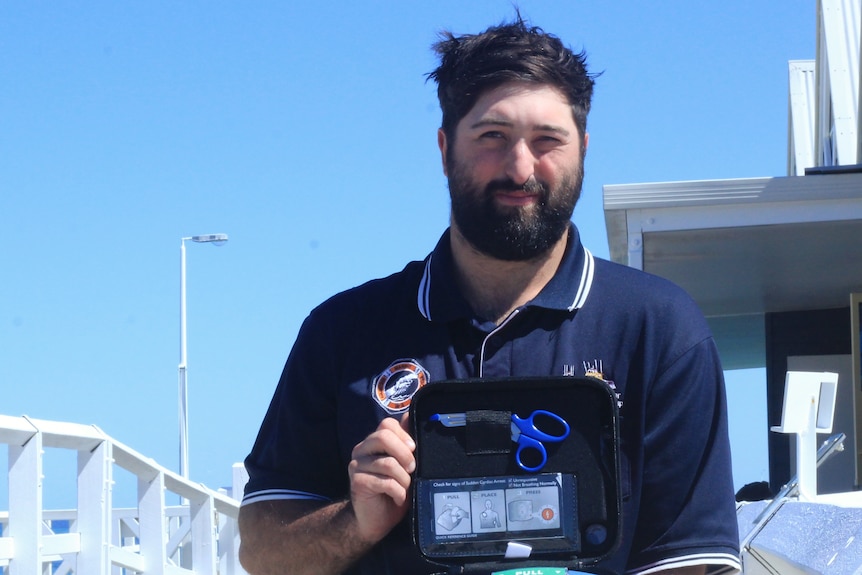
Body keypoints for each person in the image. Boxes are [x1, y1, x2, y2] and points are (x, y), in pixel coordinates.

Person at [238, 16, 741, 575]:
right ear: (445, 147)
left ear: (584, 149)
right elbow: (263, 554)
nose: (521, 167)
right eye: (492, 137)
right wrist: (355, 522)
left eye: (548, 140)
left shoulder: (659, 330)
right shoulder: (341, 331)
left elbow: (692, 563)